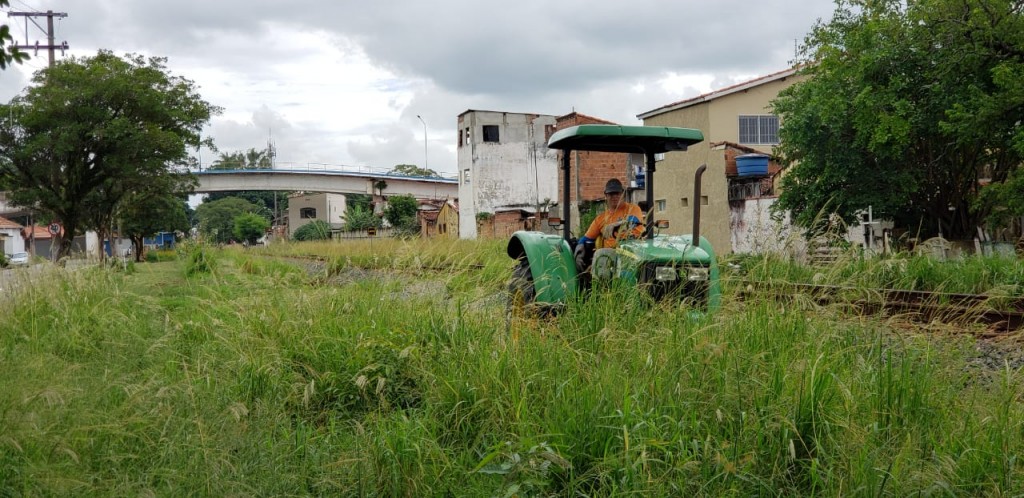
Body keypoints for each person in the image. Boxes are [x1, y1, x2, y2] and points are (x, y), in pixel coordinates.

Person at [574, 178, 643, 270]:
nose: (614, 196)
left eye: (617, 193)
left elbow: (634, 221)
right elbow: (587, 237)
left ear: (622, 194)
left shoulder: (633, 209)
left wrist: (618, 224)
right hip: (610, 255)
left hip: (633, 250)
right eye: (611, 194)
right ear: (606, 195)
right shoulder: (600, 219)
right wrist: (579, 247)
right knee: (600, 259)